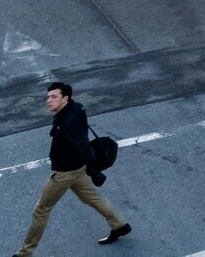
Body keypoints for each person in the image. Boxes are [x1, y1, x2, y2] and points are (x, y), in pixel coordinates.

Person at [15, 82, 130, 255]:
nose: (49, 100)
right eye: (48, 96)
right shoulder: (76, 108)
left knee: (41, 210)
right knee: (92, 198)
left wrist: (94, 172)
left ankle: (24, 253)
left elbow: (84, 146)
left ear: (65, 98)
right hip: (77, 169)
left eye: (54, 97)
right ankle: (120, 225)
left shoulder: (69, 123)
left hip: (65, 173)